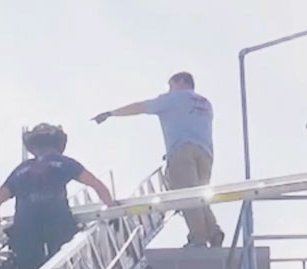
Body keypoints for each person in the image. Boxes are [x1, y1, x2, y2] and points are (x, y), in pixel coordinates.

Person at [93, 71, 223, 247]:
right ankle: (214, 231)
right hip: (205, 154)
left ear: (181, 82)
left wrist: (111, 113)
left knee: (186, 195)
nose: (169, 90)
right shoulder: (205, 103)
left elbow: (141, 107)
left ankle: (198, 237)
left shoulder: (173, 99)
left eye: (171, 85)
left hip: (181, 151)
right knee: (200, 195)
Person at [0, 123, 116, 269]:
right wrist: (112, 212)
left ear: (32, 146)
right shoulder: (65, 163)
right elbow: (98, 186)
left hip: (25, 236)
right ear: (58, 144)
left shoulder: (20, 171)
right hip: (59, 229)